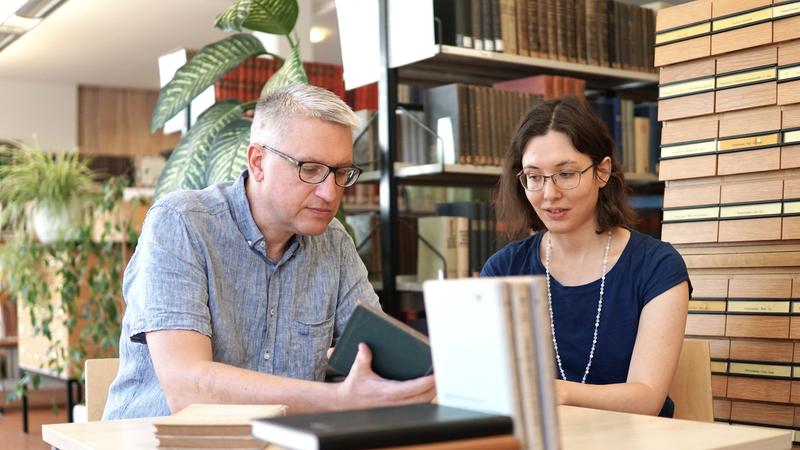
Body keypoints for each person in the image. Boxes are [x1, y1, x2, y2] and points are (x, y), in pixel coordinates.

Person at [103, 84, 435, 419]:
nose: (329, 192)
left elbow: (379, 354)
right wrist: (340, 398)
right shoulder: (181, 223)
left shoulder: (333, 242)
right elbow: (187, 388)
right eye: (310, 169)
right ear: (258, 162)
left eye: (340, 172)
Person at [481, 96, 689, 417]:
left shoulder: (657, 267)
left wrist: (556, 391)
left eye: (566, 174)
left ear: (602, 172)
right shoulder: (503, 269)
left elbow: (647, 397)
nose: (549, 194)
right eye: (534, 176)